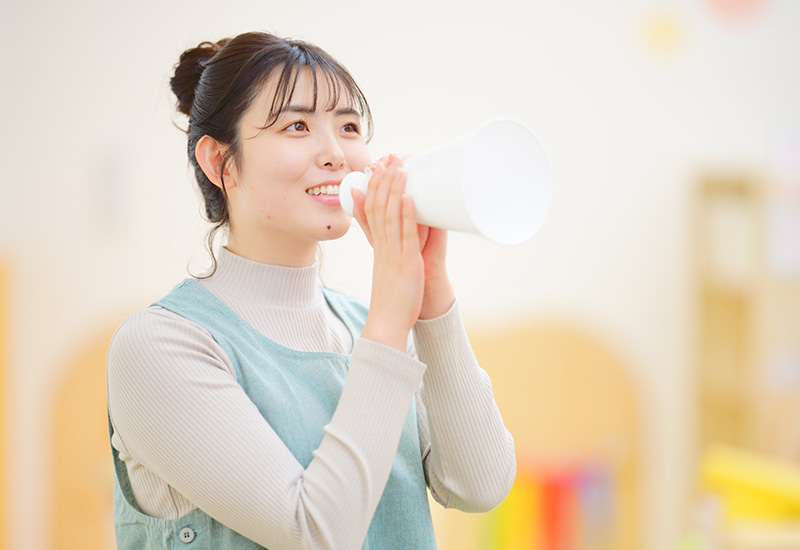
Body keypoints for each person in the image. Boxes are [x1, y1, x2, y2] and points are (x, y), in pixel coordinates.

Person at [106, 31, 515, 550]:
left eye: (349, 127)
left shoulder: (371, 331)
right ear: (219, 162)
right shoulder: (160, 346)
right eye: (296, 125)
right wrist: (392, 317)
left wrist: (431, 289)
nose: (336, 153)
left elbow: (480, 484)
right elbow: (316, 534)